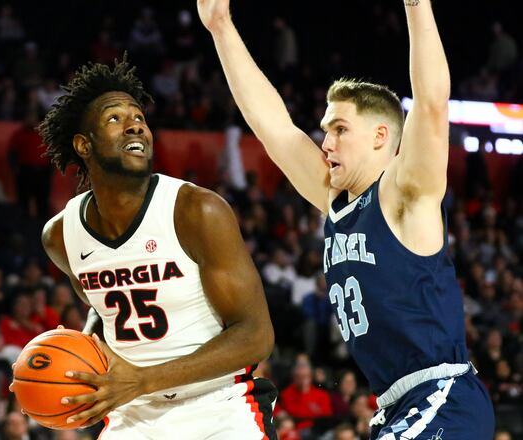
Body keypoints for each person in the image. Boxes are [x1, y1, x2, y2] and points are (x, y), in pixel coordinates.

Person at [199, 0, 494, 438]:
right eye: (324, 128)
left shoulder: (405, 195)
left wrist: (416, 5)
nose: (325, 141)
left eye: (339, 129)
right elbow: (274, 128)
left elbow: (432, 103)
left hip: (444, 395)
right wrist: (220, 27)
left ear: (381, 137)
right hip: (395, 406)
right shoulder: (335, 198)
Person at [30, 57, 276, 438]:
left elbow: (256, 336)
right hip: (131, 415)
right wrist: (78, 358)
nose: (135, 125)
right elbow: (106, 316)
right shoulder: (61, 235)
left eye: (140, 118)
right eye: (114, 119)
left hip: (218, 409)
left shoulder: (196, 210)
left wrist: (143, 380)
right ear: (83, 144)